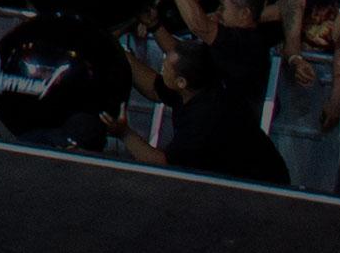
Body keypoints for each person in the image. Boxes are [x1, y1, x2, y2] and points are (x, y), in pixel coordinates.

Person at [120, 38, 292, 185]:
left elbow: (164, 164)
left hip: (259, 186)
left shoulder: (205, 118)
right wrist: (117, 52)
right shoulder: (195, 83)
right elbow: (153, 88)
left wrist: (123, 132)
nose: (161, 72)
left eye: (165, 70)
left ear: (181, 82)